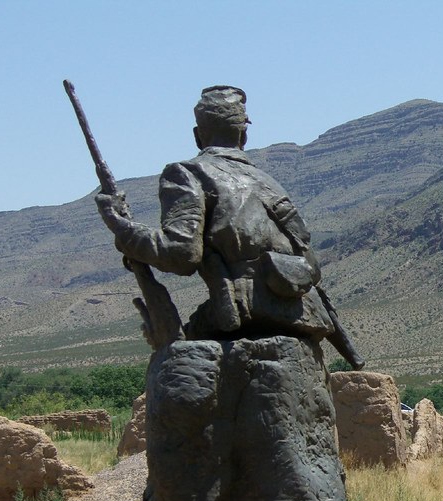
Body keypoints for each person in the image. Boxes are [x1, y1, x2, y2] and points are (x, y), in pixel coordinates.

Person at [95, 85, 363, 368]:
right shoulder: (268, 183)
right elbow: (309, 262)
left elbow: (180, 253)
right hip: (301, 314)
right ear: (244, 136)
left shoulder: (186, 173)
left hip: (241, 311)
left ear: (198, 136)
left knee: (174, 352)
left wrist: (120, 225)